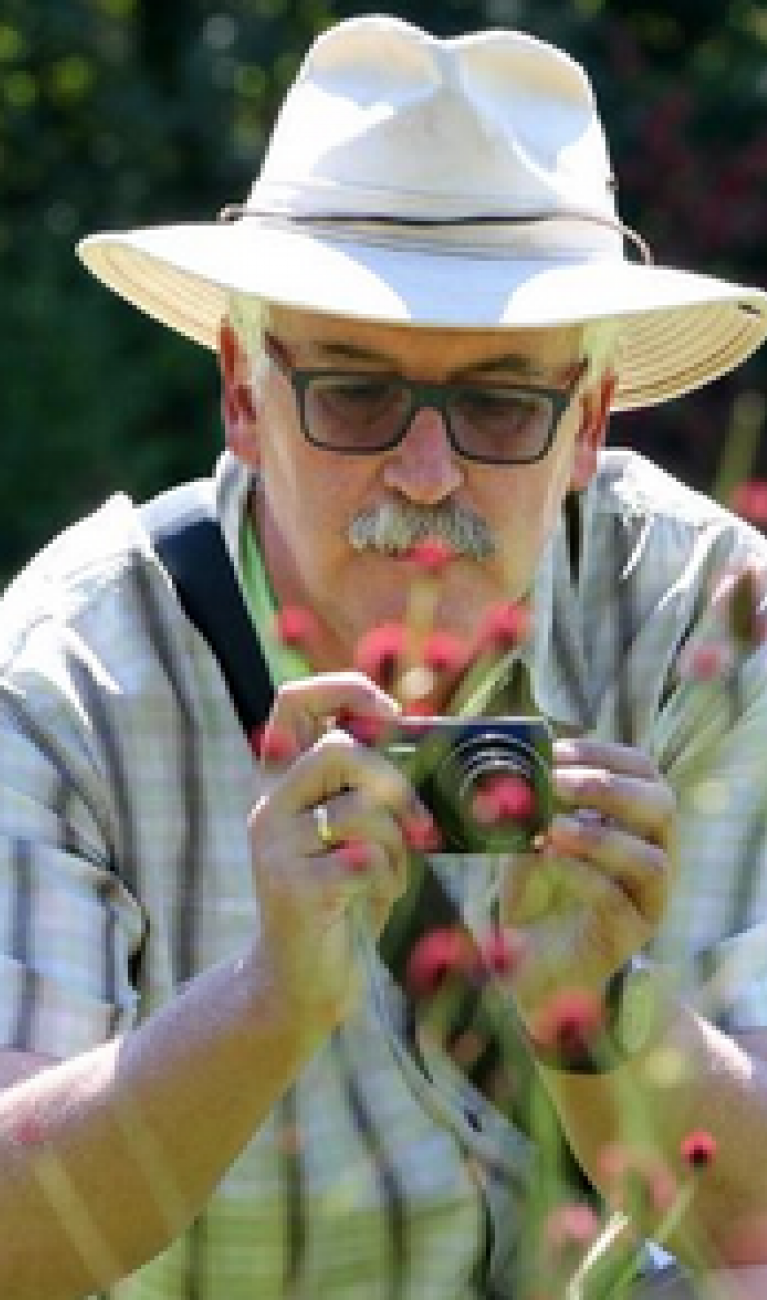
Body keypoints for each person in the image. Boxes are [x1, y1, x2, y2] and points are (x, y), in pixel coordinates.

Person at [2, 13, 767, 1299]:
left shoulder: (704, 612)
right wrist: (262, 1000)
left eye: (499, 404)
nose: (425, 472)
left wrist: (603, 1011)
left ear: (586, 422)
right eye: (352, 393)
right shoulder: (71, 670)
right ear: (243, 393)